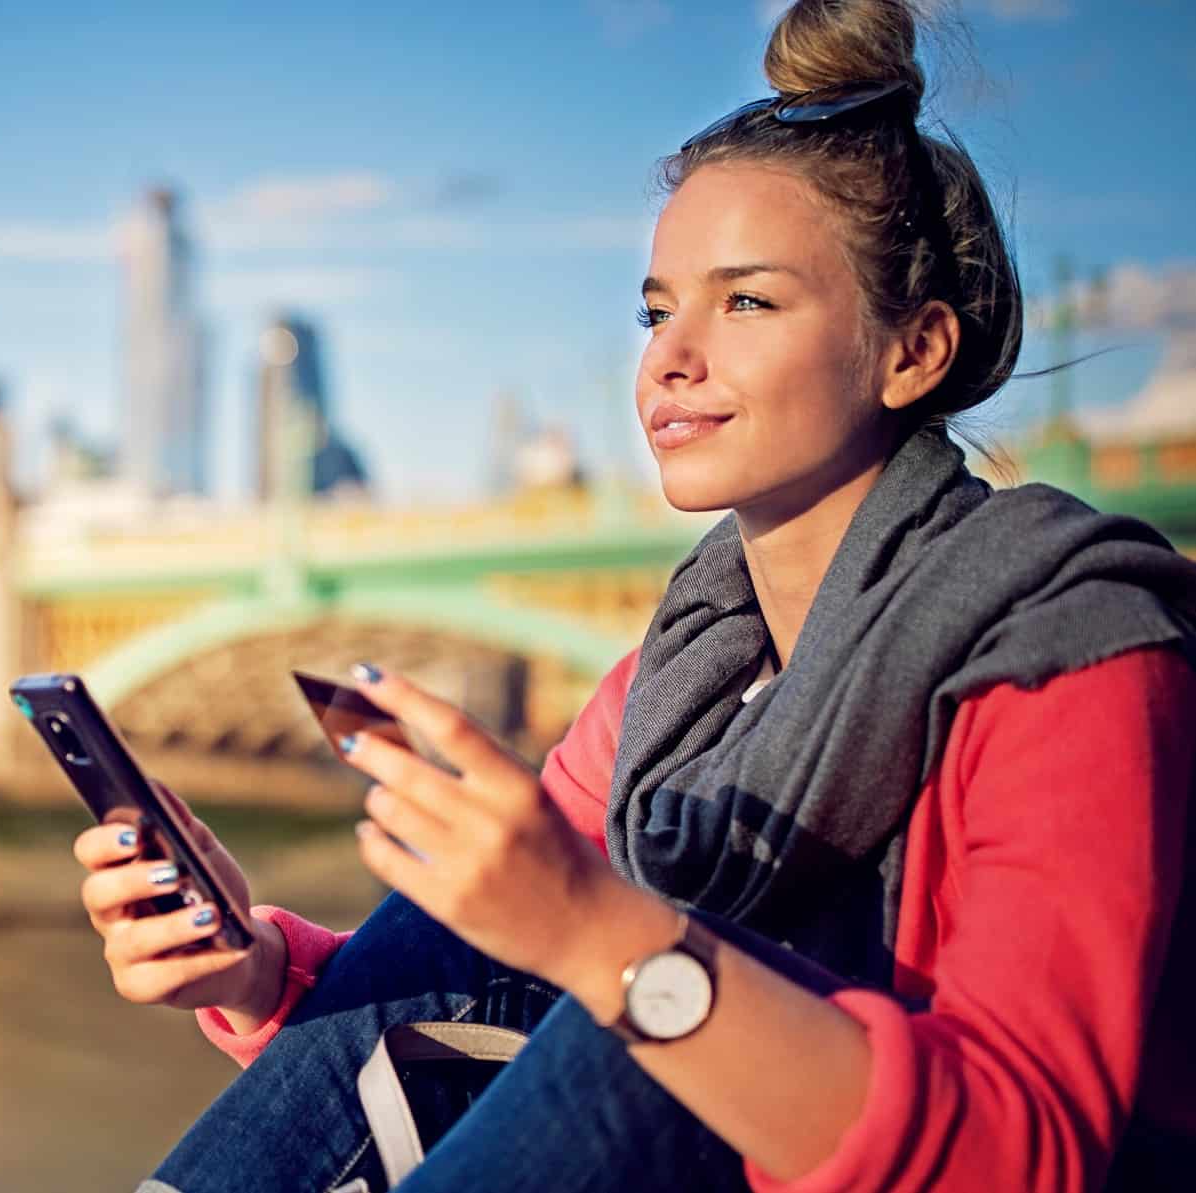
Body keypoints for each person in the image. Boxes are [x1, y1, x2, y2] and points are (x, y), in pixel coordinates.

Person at [71, 2, 1196, 1190]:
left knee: (645, 997)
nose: (671, 354)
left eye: (746, 301)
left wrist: (593, 927)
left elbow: (1025, 1150)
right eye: (658, 310)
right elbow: (473, 976)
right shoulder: (683, 673)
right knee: (466, 915)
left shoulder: (1069, 651)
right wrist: (253, 967)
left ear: (912, 350)